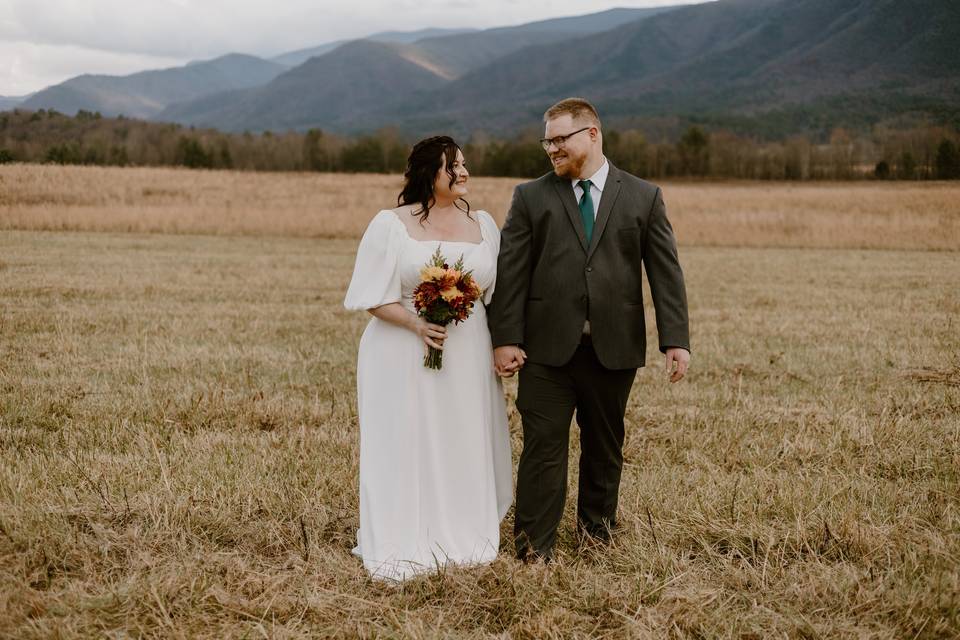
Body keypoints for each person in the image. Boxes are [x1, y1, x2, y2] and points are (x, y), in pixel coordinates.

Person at [488, 97, 691, 561]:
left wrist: (675, 339)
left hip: (613, 348)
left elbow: (665, 271)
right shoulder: (530, 196)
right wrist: (505, 338)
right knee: (543, 447)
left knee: (604, 446)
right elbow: (512, 271)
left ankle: (596, 538)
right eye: (547, 141)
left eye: (561, 139)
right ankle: (532, 548)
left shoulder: (644, 196)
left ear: (592, 134)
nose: (552, 149)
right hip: (544, 352)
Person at [343, 136, 512, 581]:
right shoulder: (390, 224)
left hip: (468, 348)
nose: (463, 173)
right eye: (452, 166)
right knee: (407, 438)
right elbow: (371, 298)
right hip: (400, 350)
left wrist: (503, 344)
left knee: (463, 434)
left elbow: (497, 296)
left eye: (463, 164)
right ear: (428, 174)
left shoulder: (484, 224)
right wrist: (418, 324)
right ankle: (404, 532)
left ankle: (463, 528)